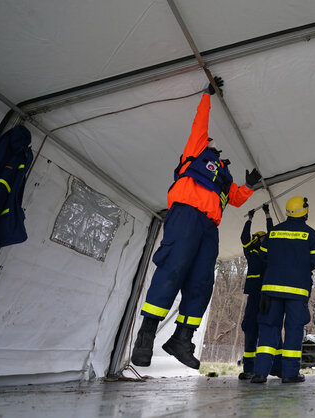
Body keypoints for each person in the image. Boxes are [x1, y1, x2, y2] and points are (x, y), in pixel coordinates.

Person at [131, 77, 261, 370]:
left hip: (208, 227)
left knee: (202, 281)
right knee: (173, 268)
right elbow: (200, 124)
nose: (213, 142)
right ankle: (146, 336)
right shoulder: (196, 151)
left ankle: (182, 338)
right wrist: (207, 96)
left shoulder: (224, 176)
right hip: (186, 215)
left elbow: (236, 199)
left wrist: (249, 186)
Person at [251, 196, 315, 383]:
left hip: (270, 290)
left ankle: (260, 373)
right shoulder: (310, 234)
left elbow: (262, 255)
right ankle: (290, 374)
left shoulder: (274, 232)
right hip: (296, 291)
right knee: (293, 330)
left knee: (268, 329)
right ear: (304, 211)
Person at [238, 203, 273, 380]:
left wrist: (267, 214)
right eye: (262, 238)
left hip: (267, 295)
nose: (264, 240)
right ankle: (248, 368)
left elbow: (272, 232)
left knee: (266, 330)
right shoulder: (250, 251)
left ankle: (266, 368)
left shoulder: (269, 252)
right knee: (250, 330)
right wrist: (249, 219)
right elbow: (244, 237)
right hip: (254, 295)